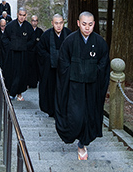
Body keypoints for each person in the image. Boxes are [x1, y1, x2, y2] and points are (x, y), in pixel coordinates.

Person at [55, 11, 110, 161]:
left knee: (90, 117)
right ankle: (75, 137)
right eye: (84, 24)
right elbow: (63, 64)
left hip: (92, 87)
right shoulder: (70, 41)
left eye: (90, 24)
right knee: (76, 116)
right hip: (74, 87)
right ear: (78, 23)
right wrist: (77, 72)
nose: (87, 27)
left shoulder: (99, 42)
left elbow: (104, 64)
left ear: (94, 24)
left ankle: (83, 143)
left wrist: (91, 72)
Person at [37, 14, 71, 117]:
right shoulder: (46, 35)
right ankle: (51, 110)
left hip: (65, 70)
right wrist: (50, 58)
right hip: (50, 70)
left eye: (61, 23)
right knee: (50, 89)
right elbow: (40, 51)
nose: (59, 26)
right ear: (52, 23)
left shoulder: (69, 35)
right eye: (56, 23)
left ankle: (63, 110)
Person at [2, 7, 34, 101]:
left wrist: (25, 46)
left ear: (26, 16)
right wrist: (10, 46)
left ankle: (19, 92)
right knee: (11, 72)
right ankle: (10, 91)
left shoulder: (28, 27)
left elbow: (32, 40)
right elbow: (4, 38)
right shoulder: (11, 25)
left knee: (22, 74)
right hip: (12, 54)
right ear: (17, 14)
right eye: (20, 15)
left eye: (24, 15)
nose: (22, 17)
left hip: (23, 55)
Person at [27, 15, 44, 88]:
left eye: (36, 21)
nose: (34, 22)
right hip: (29, 53)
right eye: (33, 20)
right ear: (31, 21)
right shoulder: (28, 30)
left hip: (37, 54)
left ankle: (35, 82)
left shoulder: (40, 32)